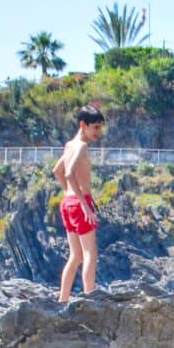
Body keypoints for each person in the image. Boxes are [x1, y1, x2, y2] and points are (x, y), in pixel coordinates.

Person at [53, 105, 105, 302]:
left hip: (67, 203)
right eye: (95, 127)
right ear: (83, 124)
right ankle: (89, 297)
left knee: (75, 256)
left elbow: (57, 171)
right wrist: (83, 204)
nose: (98, 132)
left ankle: (62, 300)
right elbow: (68, 173)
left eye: (100, 127)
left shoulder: (69, 145)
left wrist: (68, 193)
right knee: (90, 252)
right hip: (79, 202)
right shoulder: (81, 146)